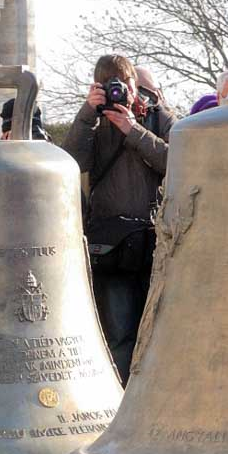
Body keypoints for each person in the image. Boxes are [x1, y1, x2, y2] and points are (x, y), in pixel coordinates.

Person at [64, 54, 175, 381]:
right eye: (109, 85)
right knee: (120, 335)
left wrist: (133, 130)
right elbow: (72, 162)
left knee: (159, 331)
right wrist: (87, 114)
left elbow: (179, 160)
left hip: (155, 244)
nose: (119, 93)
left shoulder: (157, 118)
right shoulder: (92, 123)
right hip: (111, 249)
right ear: (97, 87)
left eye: (124, 85)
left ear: (134, 85)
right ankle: (121, 408)